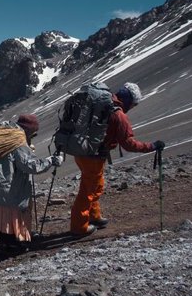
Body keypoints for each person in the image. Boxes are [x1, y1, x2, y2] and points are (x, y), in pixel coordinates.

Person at [70, 82, 165, 236]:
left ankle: (93, 217)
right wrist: (151, 146)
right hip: (93, 156)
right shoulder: (119, 115)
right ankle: (78, 227)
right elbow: (129, 144)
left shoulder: (103, 105)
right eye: (133, 104)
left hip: (82, 151)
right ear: (129, 100)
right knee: (88, 190)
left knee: (95, 186)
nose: (132, 107)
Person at [0, 115, 62, 259]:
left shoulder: (2, 134)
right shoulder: (17, 141)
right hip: (2, 187)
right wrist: (51, 161)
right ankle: (8, 244)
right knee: (8, 215)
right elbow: (30, 166)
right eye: (33, 134)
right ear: (29, 131)